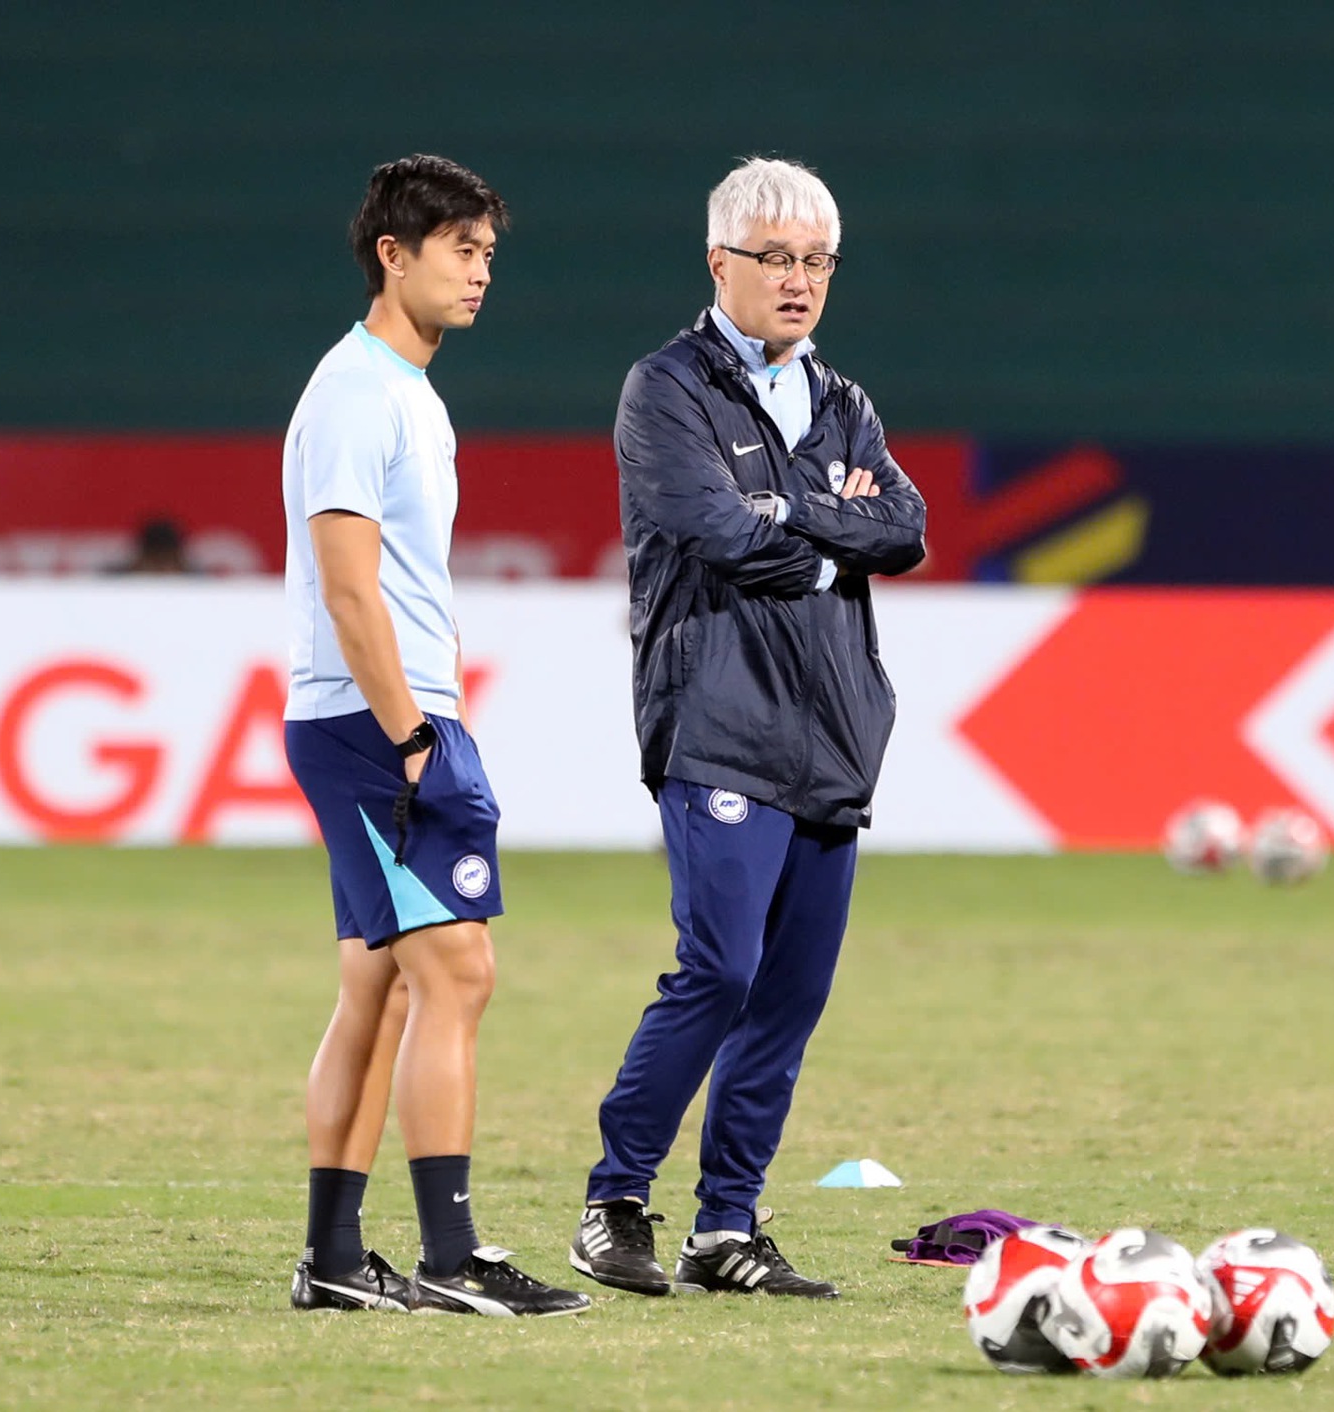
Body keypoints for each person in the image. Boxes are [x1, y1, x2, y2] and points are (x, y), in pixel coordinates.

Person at [569, 158, 927, 1299]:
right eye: (775, 258)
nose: (799, 279)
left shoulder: (843, 399)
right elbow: (712, 529)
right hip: (716, 713)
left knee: (789, 993)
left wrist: (797, 516)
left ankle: (726, 1224)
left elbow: (908, 527)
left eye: (817, 260)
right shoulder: (665, 387)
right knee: (717, 969)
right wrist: (830, 533)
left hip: (829, 728)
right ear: (718, 262)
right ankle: (612, 1199)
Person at [281, 154, 588, 1318]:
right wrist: (412, 736)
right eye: (457, 249)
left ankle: (332, 1257)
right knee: (457, 969)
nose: (478, 272)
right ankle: (452, 1256)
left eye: (487, 253)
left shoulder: (401, 390)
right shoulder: (358, 392)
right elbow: (349, 587)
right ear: (389, 255)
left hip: (381, 717)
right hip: (376, 723)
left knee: (386, 986)